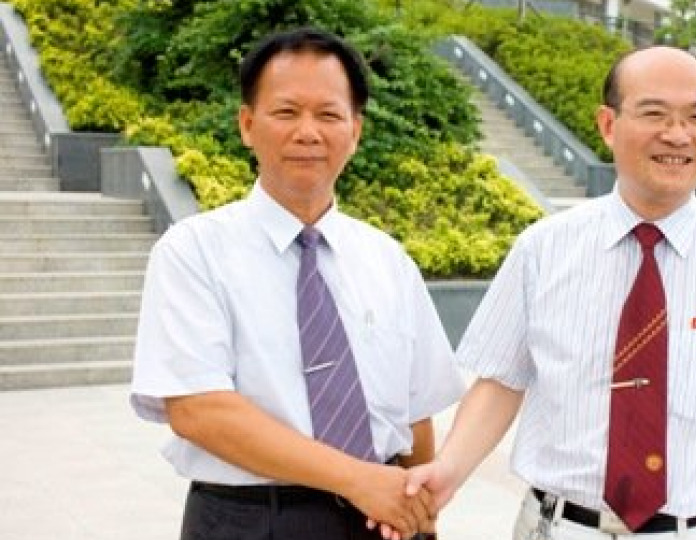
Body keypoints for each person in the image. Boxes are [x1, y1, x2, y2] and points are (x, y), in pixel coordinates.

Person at [400, 46, 696, 540]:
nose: (678, 135)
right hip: (558, 528)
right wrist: (448, 472)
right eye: (655, 114)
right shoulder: (543, 249)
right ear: (608, 125)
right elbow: (500, 382)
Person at [130, 27, 463, 540]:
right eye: (286, 112)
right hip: (252, 520)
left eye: (328, 115)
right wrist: (356, 480)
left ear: (355, 131)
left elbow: (415, 415)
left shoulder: (388, 260)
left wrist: (423, 523)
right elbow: (198, 410)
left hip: (382, 517)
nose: (308, 132)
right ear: (247, 125)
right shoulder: (193, 251)